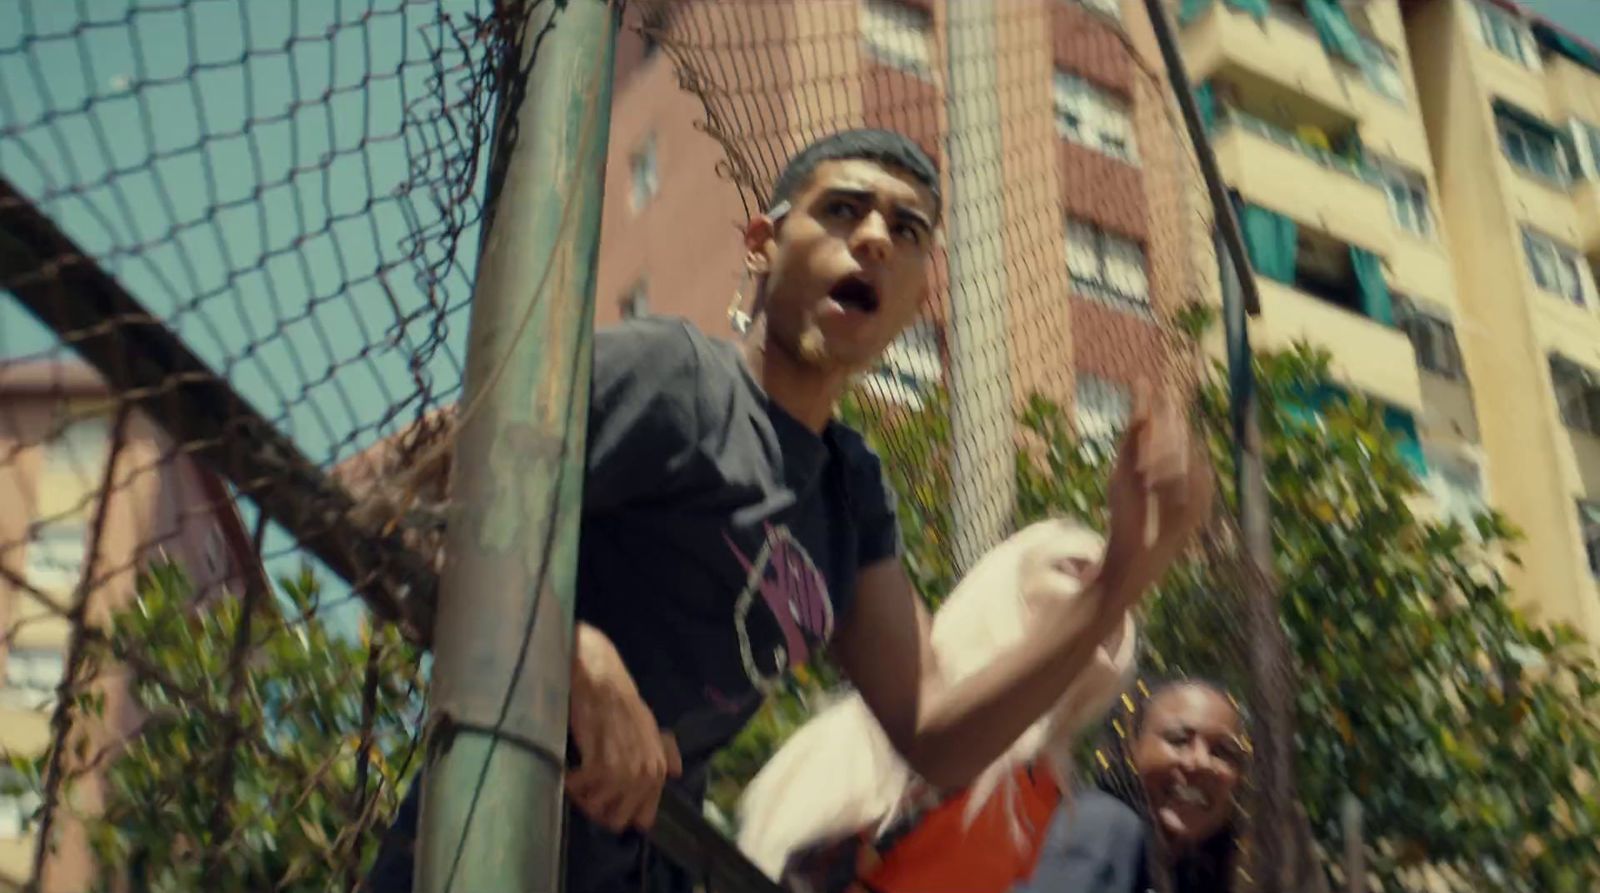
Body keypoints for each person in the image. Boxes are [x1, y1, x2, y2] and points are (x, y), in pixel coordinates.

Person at [361, 128, 1214, 892]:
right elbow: (383, 491)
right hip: (481, 838)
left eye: (907, 230)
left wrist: (1120, 581)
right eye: (843, 210)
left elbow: (937, 738)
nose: (875, 237)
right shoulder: (675, 377)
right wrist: (567, 651)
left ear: (921, 296)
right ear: (764, 243)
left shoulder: (851, 492)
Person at [1015, 678, 1247, 893]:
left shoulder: (1186, 871)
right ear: (1130, 750)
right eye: (1178, 740)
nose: (1201, 762)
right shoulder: (1105, 825)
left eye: (1223, 752)